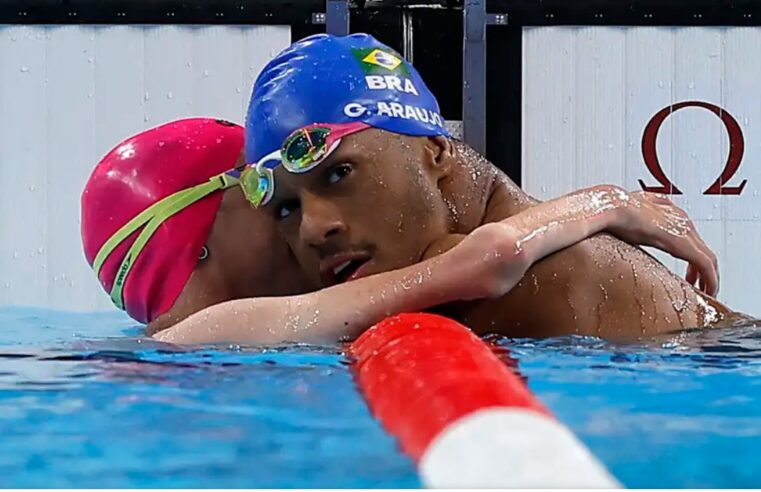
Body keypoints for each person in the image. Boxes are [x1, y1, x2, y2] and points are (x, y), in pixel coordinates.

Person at [244, 33, 750, 339]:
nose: (314, 229)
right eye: (286, 208)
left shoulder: (548, 274)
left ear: (436, 151)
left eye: (338, 174)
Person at [80, 118, 719, 344]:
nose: (310, 227)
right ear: (207, 235)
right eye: (272, 198)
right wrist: (610, 204)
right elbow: (484, 261)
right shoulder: (218, 334)